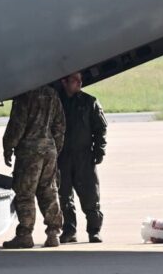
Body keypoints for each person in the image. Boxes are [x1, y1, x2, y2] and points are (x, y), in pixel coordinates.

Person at [2, 86, 65, 249]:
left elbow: (17, 125)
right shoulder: (52, 93)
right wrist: (55, 148)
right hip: (49, 149)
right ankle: (53, 234)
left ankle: (25, 235)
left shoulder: (25, 95)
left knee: (25, 193)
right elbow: (59, 125)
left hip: (29, 151)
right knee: (49, 191)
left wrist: (8, 147)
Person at [57, 72, 108, 244]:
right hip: (62, 156)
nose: (79, 83)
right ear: (64, 82)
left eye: (80, 80)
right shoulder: (57, 103)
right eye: (75, 80)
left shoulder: (89, 102)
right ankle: (69, 230)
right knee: (64, 195)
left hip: (84, 155)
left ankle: (94, 230)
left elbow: (100, 128)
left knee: (90, 194)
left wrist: (99, 150)